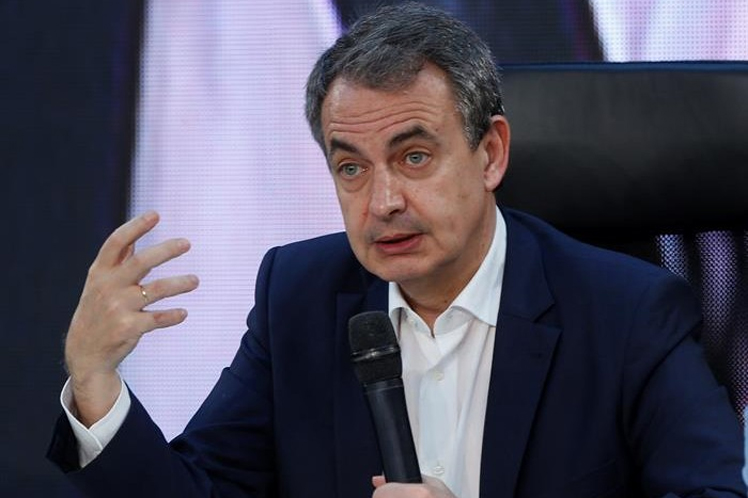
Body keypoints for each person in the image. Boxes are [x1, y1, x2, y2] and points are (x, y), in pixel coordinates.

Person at [47, 2, 746, 497]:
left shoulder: (630, 312)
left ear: (490, 154)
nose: (381, 201)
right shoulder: (300, 295)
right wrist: (94, 381)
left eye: (414, 157)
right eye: (351, 167)